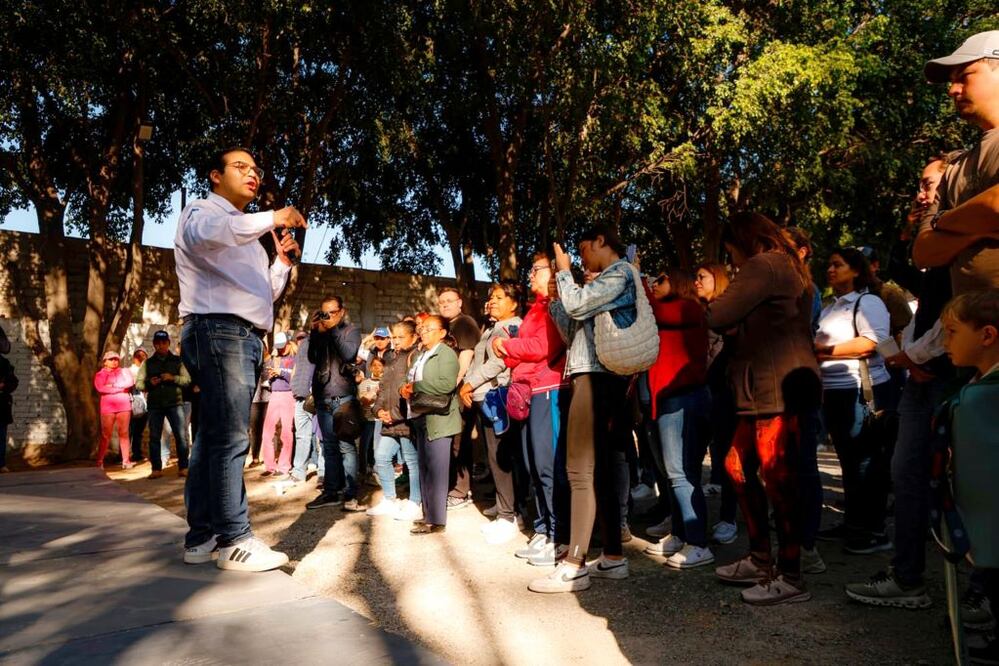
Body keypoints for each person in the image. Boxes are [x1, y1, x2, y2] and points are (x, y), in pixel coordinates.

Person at [848, 33, 999, 607]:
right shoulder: (968, 160)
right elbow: (924, 255)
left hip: (969, 355)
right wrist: (969, 220)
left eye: (965, 74)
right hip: (965, 359)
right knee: (961, 485)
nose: (954, 89)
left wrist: (954, 223)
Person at [174, 146, 304, 572]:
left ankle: (203, 537)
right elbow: (210, 235)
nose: (252, 174)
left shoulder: (247, 237)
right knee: (230, 436)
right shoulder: (201, 212)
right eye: (240, 167)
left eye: (256, 168)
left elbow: (260, 293)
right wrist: (274, 216)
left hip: (239, 334)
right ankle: (235, 539)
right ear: (215, 176)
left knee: (212, 437)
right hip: (219, 330)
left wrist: (281, 264)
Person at [707, 212, 821, 606]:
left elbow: (719, 314)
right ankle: (760, 559)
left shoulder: (766, 264)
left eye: (731, 252)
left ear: (744, 240)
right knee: (737, 466)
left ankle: (790, 576)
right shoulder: (787, 266)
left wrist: (719, 303)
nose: (732, 261)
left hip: (775, 388)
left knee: (777, 477)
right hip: (764, 387)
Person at [529, 224, 637, 594]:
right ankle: (612, 557)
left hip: (596, 378)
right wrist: (559, 296)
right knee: (601, 472)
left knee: (579, 470)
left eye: (583, 248)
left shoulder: (621, 273)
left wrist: (564, 272)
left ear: (602, 242)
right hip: (588, 374)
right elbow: (570, 327)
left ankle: (574, 564)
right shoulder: (603, 283)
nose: (580, 257)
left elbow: (577, 304)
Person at [813, 249, 894, 554]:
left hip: (860, 391)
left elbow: (871, 343)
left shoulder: (867, 302)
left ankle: (872, 531)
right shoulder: (833, 306)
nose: (830, 270)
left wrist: (821, 351)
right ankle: (855, 523)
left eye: (838, 265)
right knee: (850, 462)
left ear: (857, 270)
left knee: (867, 462)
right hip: (834, 392)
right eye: (829, 264)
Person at [494, 252, 570, 565]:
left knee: (548, 465)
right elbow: (521, 355)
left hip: (549, 388)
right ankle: (543, 529)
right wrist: (509, 352)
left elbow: (544, 348)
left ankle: (559, 535)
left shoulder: (556, 305)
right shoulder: (535, 309)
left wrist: (507, 347)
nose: (530, 275)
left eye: (536, 269)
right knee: (532, 465)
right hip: (529, 390)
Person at [938, 289, 999, 664]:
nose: (945, 343)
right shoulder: (978, 390)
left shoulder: (983, 398)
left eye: (952, 332)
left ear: (987, 335)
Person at [641, 267, 713, 569]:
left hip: (683, 398)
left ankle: (698, 542)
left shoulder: (686, 308)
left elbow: (649, 309)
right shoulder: (671, 311)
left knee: (681, 472)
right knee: (672, 472)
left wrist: (637, 281)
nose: (655, 284)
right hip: (667, 399)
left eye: (661, 279)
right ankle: (681, 535)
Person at [460, 282, 524, 545]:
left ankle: (509, 516)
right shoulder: (494, 327)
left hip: (497, 398)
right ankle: (505, 506)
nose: (492, 301)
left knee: (501, 458)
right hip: (486, 397)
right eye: (491, 297)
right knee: (496, 454)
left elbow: (499, 363)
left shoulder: (510, 327)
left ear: (514, 303)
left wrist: (469, 383)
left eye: (499, 297)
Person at [402, 315, 461, 535]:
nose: (423, 331)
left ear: (442, 333)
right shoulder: (421, 354)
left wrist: (415, 387)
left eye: (428, 328)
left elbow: (446, 384)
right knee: (425, 468)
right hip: (421, 416)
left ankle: (436, 520)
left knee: (437, 470)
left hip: (439, 418)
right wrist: (405, 387)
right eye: (422, 328)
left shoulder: (446, 354)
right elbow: (409, 377)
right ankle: (428, 514)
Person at [694, 263, 739, 547]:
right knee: (692, 456)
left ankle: (729, 518)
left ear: (718, 280)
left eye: (702, 277)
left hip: (723, 393)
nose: (696, 282)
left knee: (727, 457)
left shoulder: (728, 312)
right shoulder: (697, 312)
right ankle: (683, 520)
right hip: (699, 391)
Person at [305, 295, 363, 511]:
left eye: (331, 312)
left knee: (346, 446)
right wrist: (314, 331)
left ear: (342, 311)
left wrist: (332, 329)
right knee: (328, 447)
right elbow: (312, 357)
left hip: (343, 397)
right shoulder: (321, 333)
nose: (327, 316)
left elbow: (348, 354)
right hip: (322, 397)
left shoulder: (350, 331)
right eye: (324, 312)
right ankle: (331, 492)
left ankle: (350, 494)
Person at [368, 320, 423, 521]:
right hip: (388, 421)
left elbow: (414, 391)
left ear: (414, 337)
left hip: (405, 421)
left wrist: (396, 415)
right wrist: (377, 410)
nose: (396, 341)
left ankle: (415, 502)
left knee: (411, 461)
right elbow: (383, 389)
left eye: (401, 337)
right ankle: (390, 500)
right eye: (394, 337)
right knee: (381, 458)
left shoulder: (415, 356)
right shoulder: (390, 358)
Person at [437, 287, 481, 510]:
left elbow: (466, 356)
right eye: (441, 302)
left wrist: (452, 384)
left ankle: (461, 492)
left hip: (460, 392)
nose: (444, 304)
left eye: (449, 301)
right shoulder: (445, 326)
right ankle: (453, 487)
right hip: (447, 392)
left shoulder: (464, 323)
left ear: (459, 303)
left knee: (459, 442)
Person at [136, 330, 192, 479]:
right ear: (154, 344)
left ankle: (183, 467)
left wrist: (173, 378)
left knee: (181, 436)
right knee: (154, 437)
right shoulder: (147, 363)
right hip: (155, 405)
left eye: (164, 342)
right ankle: (156, 468)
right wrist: (149, 383)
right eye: (158, 343)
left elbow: (187, 380)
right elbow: (139, 384)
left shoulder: (177, 361)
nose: (161, 345)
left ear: (168, 343)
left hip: (175, 403)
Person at [260, 332, 296, 478]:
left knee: (286, 432)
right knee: (267, 432)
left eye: (283, 347)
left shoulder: (295, 359)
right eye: (278, 347)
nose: (281, 350)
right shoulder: (275, 358)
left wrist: (281, 372)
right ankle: (270, 466)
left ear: (289, 343)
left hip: (288, 395)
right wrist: (269, 376)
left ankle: (284, 466)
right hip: (274, 394)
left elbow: (296, 378)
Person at [289, 331, 322, 485]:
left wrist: (316, 391)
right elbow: (297, 368)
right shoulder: (303, 347)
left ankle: (323, 473)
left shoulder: (323, 343)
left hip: (316, 398)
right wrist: (294, 387)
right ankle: (298, 472)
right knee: (301, 436)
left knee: (321, 438)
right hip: (300, 396)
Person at [93, 350, 135, 470]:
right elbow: (100, 388)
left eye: (116, 359)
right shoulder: (100, 374)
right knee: (106, 434)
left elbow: (130, 382)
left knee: (124, 433)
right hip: (108, 407)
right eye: (111, 359)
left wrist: (112, 386)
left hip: (124, 406)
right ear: (105, 362)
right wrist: (119, 387)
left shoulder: (124, 371)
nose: (114, 361)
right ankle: (100, 461)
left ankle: (126, 461)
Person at [0, 325, 18, 473]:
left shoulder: (3, 364)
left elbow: (13, 381)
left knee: (0, 436)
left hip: (1, 405)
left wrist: (3, 385)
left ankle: (0, 463)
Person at [127, 348, 149, 463]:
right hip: (131, 404)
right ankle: (124, 455)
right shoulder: (129, 371)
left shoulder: (146, 371)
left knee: (138, 432)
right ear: (135, 358)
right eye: (140, 356)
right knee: (129, 431)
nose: (142, 359)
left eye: (144, 356)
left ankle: (136, 453)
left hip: (144, 405)